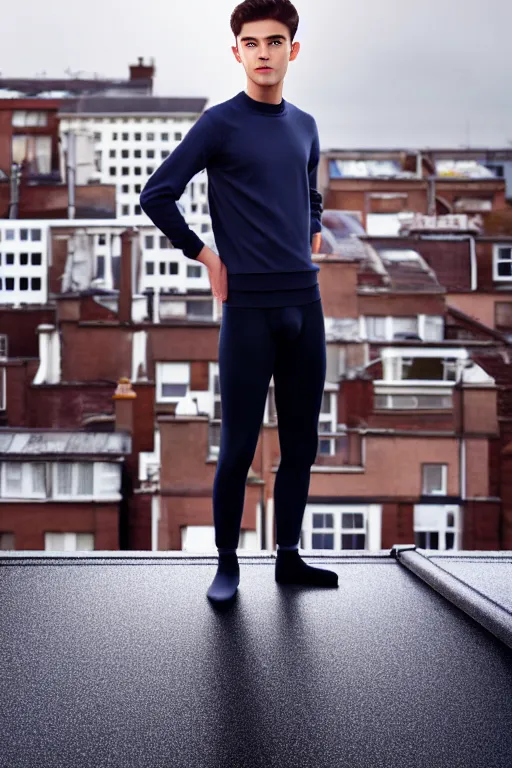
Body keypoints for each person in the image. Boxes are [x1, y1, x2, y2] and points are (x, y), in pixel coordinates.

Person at [140, 0, 339, 604]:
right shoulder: (219, 124)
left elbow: (309, 187)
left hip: (304, 306)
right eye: (251, 43)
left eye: (274, 42)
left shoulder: (305, 124)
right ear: (237, 52)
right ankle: (226, 564)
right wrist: (206, 256)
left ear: (292, 50)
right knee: (240, 445)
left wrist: (311, 228)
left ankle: (288, 556)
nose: (263, 53)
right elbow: (158, 194)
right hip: (248, 309)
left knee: (301, 442)